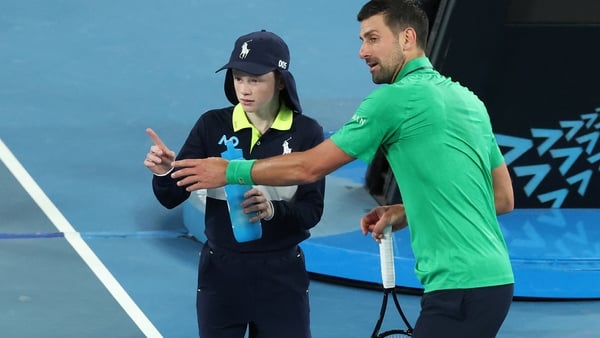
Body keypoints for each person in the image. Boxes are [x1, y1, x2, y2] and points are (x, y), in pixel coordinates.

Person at [169, 1, 516, 337]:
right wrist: (407, 211)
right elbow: (501, 198)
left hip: (458, 288)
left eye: (373, 38)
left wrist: (230, 172)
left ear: (407, 38)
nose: (362, 51)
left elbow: (310, 167)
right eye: (362, 40)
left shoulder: (393, 100)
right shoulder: (469, 100)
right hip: (494, 280)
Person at [143, 30, 325, 338]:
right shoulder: (211, 126)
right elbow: (171, 196)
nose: (245, 88)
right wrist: (164, 171)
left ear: (280, 80)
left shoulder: (306, 133)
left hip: (282, 277)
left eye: (255, 79)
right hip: (221, 275)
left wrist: (272, 211)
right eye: (239, 78)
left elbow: (311, 212)